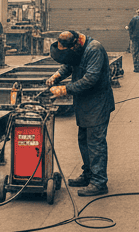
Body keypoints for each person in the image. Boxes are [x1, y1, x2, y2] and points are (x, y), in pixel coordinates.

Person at [45, 29, 115, 196]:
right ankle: (89, 174)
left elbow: (90, 78)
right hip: (85, 103)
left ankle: (99, 182)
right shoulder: (78, 48)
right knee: (84, 139)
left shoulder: (94, 49)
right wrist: (56, 76)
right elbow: (69, 64)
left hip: (98, 103)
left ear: (75, 44)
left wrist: (64, 89)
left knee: (96, 143)